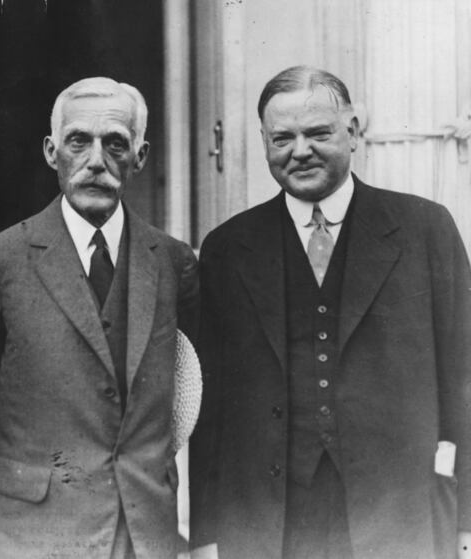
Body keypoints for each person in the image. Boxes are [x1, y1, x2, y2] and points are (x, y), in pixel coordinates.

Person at [189, 65, 471, 559]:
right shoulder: (228, 249)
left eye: (318, 133)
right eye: (282, 138)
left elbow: (464, 379)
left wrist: (467, 520)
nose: (300, 151)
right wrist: (206, 535)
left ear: (354, 132)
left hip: (397, 516)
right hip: (268, 522)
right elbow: (209, 407)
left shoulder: (425, 230)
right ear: (263, 142)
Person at [0, 76, 199, 558]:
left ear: (141, 157)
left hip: (143, 535)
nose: (96, 161)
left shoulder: (173, 262)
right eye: (79, 141)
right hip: (33, 535)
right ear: (51, 151)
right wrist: (26, 490)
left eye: (116, 144)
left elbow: (185, 394)